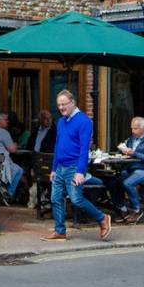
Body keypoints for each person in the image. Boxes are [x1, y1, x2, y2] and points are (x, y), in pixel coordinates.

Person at [43, 90, 111, 241]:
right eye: (59, 105)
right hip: (60, 167)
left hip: (74, 167)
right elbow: (58, 145)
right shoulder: (61, 121)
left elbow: (84, 149)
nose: (61, 107)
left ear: (73, 102)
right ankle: (60, 231)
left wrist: (81, 171)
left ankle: (102, 218)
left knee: (76, 199)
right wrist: (54, 168)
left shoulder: (84, 121)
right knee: (55, 198)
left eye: (64, 104)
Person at [107, 116, 144, 221]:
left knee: (128, 183)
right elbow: (125, 150)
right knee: (112, 182)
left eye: (135, 128)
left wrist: (134, 153)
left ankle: (136, 210)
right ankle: (122, 208)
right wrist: (121, 150)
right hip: (131, 170)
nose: (133, 131)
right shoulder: (132, 138)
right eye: (132, 128)